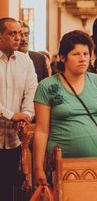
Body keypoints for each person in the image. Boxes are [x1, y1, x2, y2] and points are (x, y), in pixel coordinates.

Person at [33, 31, 97, 186]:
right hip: (61, 166)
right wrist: (38, 168)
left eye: (86, 54)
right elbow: (41, 130)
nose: (83, 58)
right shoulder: (47, 86)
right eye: (76, 54)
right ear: (63, 57)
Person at [0, 17, 37, 200]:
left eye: (20, 34)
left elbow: (31, 92)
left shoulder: (25, 61)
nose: (19, 38)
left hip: (14, 139)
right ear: (0, 36)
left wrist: (26, 116)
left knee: (10, 189)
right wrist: (11, 115)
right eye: (12, 33)